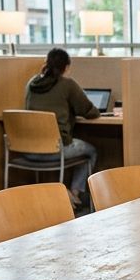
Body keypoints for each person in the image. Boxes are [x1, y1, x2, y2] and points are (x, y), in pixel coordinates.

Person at [23, 48, 99, 210]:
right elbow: (89, 111)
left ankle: (65, 195)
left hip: (27, 149)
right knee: (91, 150)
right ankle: (74, 194)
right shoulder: (67, 84)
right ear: (66, 67)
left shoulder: (31, 83)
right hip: (56, 150)